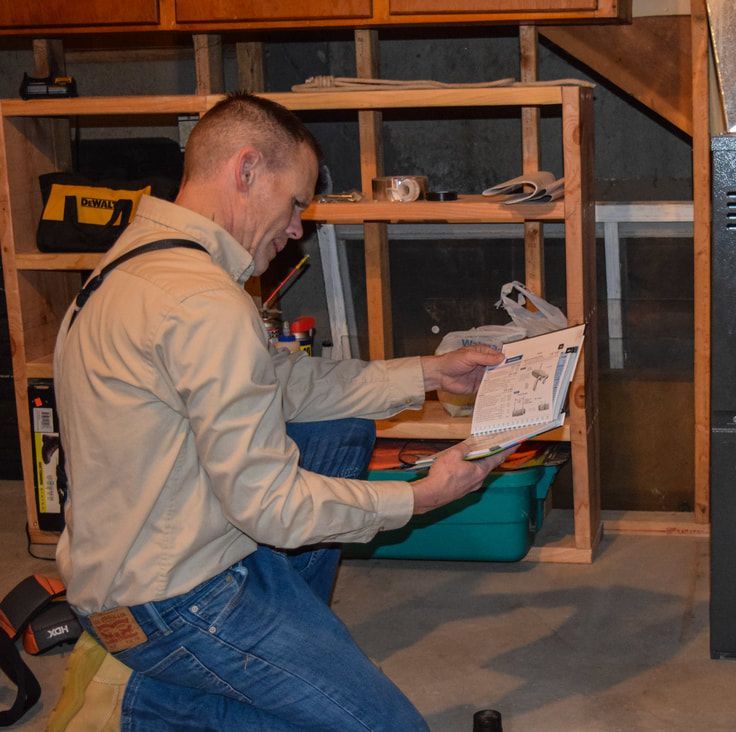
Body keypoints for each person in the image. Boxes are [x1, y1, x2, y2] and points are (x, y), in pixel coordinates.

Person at [51, 92, 512, 730]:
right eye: (296, 202)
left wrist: (430, 375)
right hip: (176, 602)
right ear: (244, 171)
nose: (299, 227)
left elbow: (282, 385)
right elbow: (271, 506)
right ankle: (145, 706)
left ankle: (272, 655)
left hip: (132, 573)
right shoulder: (205, 303)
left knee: (339, 432)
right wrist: (421, 497)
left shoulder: (130, 266)